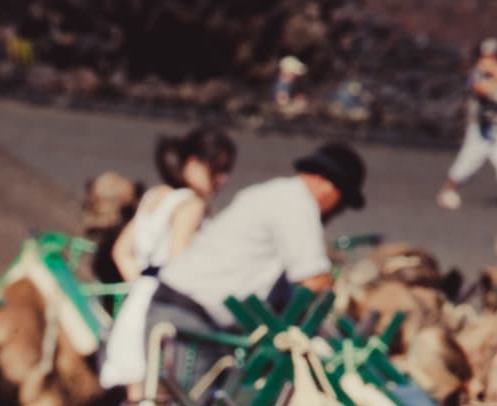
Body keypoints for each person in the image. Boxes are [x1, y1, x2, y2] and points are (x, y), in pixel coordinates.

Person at [147, 141, 365, 386]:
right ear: (328, 185)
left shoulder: (270, 193)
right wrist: (350, 317)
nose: (338, 210)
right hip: (192, 315)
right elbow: (314, 280)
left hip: (175, 303)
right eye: (343, 201)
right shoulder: (297, 204)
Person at [98, 124, 236, 401]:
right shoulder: (190, 204)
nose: (221, 180)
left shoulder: (155, 196)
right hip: (170, 302)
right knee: (166, 394)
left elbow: (121, 250)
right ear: (193, 163)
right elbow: (179, 261)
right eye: (216, 170)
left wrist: (142, 285)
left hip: (139, 300)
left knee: (137, 395)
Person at [437, 39, 497, 215]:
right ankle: (448, 191)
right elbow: (481, 89)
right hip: (482, 128)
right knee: (468, 162)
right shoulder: (477, 73)